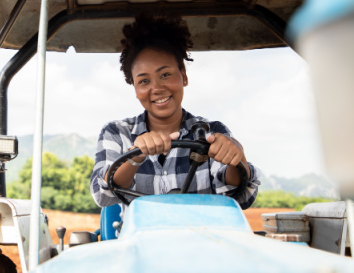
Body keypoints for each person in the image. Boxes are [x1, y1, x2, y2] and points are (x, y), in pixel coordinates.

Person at [90, 15, 260, 218]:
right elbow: (102, 195)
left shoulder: (212, 132)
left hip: (202, 243)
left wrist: (236, 158)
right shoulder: (117, 132)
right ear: (135, 88)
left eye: (165, 75)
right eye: (144, 81)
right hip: (141, 245)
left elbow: (241, 199)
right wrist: (135, 157)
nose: (157, 88)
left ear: (184, 76)